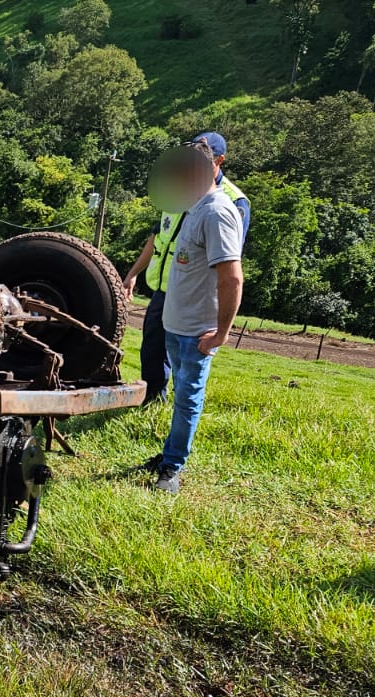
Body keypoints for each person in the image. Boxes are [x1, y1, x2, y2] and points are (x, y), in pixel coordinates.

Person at [145, 141, 245, 494]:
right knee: (180, 396)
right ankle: (169, 453)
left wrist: (220, 333)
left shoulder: (217, 213)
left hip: (196, 333)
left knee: (188, 399)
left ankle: (172, 468)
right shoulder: (192, 207)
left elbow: (232, 278)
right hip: (176, 325)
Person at [123, 132, 249, 404]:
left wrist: (220, 326)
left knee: (188, 362)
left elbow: (229, 264)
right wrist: (133, 273)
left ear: (219, 160)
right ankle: (152, 403)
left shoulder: (232, 202)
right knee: (152, 350)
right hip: (163, 289)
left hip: (195, 296)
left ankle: (180, 415)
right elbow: (158, 235)